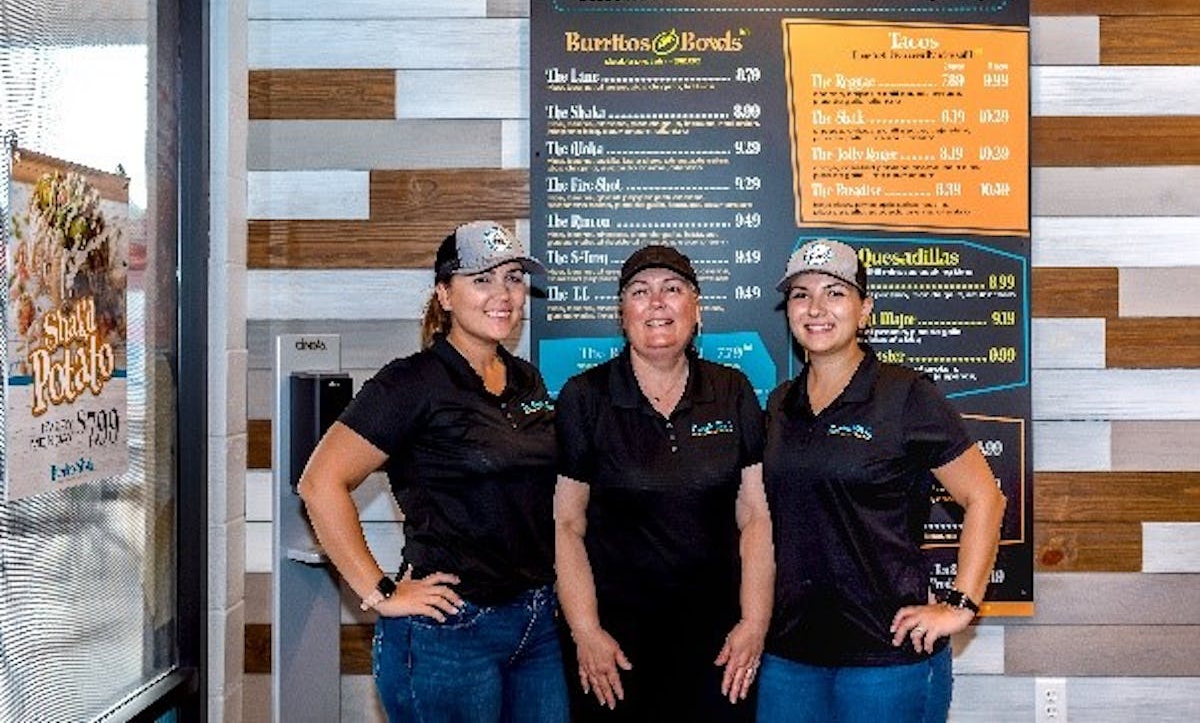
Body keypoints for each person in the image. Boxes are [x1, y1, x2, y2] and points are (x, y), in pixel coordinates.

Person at [297, 220, 568, 722]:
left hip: (535, 624)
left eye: (512, 278)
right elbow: (319, 482)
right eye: (481, 280)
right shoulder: (410, 383)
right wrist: (379, 590)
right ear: (444, 294)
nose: (502, 294)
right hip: (450, 632)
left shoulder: (526, 379)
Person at [756, 239, 1008, 723]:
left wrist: (960, 604)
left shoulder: (905, 395)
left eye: (834, 293)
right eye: (800, 295)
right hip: (791, 654)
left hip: (885, 656)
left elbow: (984, 498)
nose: (815, 309)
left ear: (864, 309)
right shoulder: (780, 404)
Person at [553, 244, 773, 722]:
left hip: (720, 644)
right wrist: (586, 631)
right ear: (622, 313)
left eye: (672, 290)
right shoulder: (584, 397)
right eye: (640, 291)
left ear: (696, 309)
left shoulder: (733, 390)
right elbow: (567, 523)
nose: (657, 302)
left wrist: (755, 622)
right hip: (615, 646)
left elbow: (755, 516)